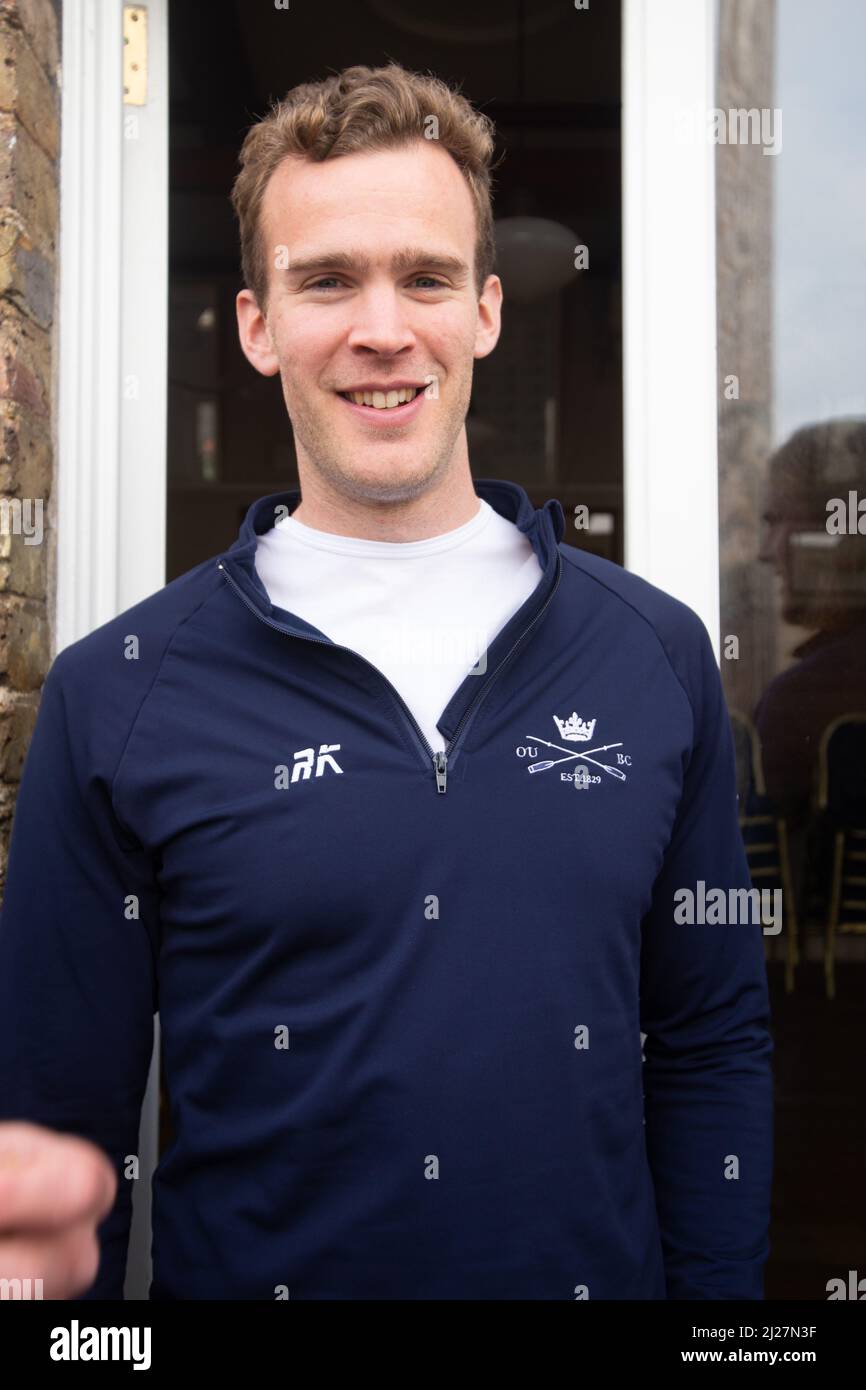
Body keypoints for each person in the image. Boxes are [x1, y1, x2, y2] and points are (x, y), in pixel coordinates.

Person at [0, 62, 773, 1301]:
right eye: (325, 280)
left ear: (486, 311)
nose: (380, 327)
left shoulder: (654, 652)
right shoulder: (119, 692)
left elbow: (707, 1043)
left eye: (422, 276)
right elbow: (54, 1129)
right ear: (255, 325)